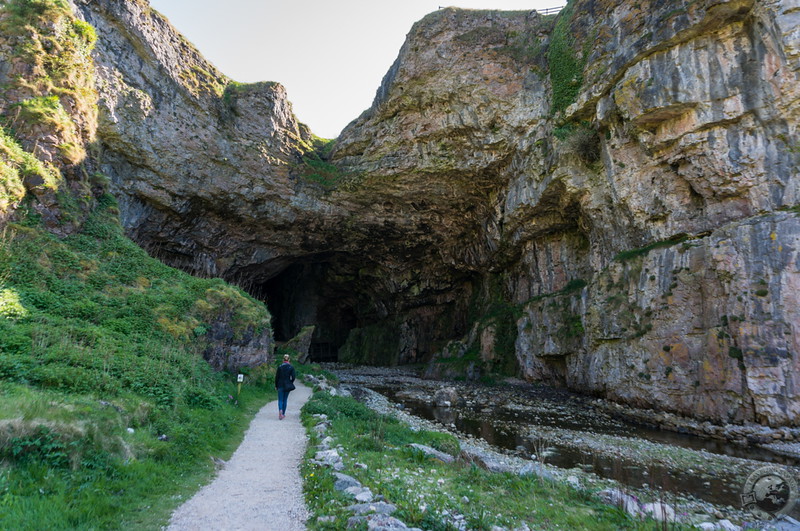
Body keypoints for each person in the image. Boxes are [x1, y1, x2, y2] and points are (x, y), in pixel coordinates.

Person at [274, 354, 296, 420]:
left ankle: (280, 410)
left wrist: (276, 385)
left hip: (280, 384)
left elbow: (277, 377)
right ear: (289, 359)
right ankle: (283, 414)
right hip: (287, 385)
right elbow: (293, 377)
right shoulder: (291, 367)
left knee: (280, 399)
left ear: (283, 359)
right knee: (285, 399)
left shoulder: (280, 367)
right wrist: (291, 382)